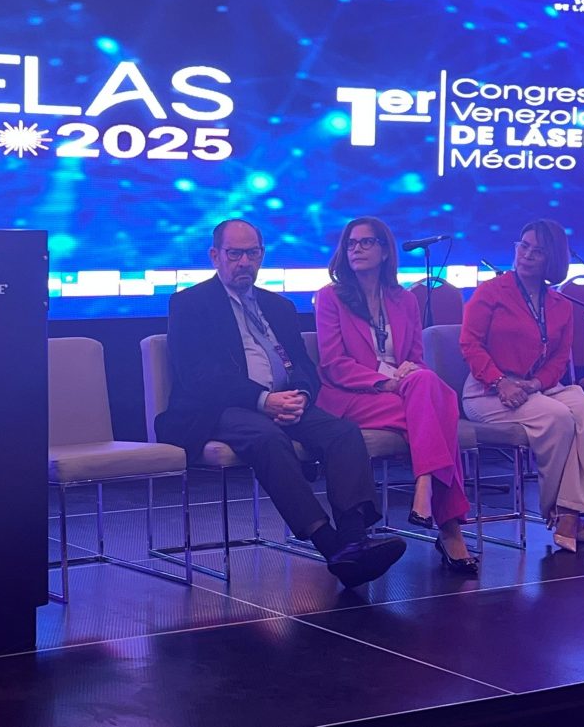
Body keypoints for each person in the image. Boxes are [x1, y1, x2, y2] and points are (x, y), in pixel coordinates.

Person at [156, 219, 407, 588]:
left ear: (262, 255)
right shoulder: (190, 304)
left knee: (342, 432)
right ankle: (331, 546)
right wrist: (263, 400)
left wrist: (301, 394)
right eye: (234, 254)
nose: (244, 262)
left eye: (252, 253)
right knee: (268, 438)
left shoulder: (278, 306)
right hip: (216, 409)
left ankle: (354, 539)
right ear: (215, 256)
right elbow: (200, 376)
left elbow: (303, 365)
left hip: (286, 401)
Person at [314, 217, 478, 575]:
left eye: (366, 242)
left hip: (404, 393)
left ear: (385, 251)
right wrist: (385, 381)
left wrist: (406, 373)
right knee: (441, 407)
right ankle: (445, 521)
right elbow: (334, 365)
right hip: (351, 396)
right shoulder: (330, 297)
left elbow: (416, 359)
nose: (356, 249)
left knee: (427, 386)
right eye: (351, 243)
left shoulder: (404, 300)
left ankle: (427, 487)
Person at [460, 219, 584, 552]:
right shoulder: (491, 291)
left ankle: (572, 511)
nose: (526, 255)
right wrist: (500, 381)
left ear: (551, 259)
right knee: (557, 417)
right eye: (523, 246)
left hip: (535, 387)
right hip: (487, 390)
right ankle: (560, 512)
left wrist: (535, 383)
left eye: (537, 251)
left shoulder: (561, 304)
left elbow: (559, 358)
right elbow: (470, 344)